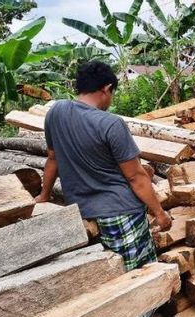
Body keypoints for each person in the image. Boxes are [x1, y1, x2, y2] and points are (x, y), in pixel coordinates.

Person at [35, 61, 172, 273]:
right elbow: (136, 177)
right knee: (139, 277)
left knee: (104, 277)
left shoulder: (56, 112)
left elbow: (53, 159)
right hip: (121, 214)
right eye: (113, 93)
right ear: (106, 89)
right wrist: (160, 213)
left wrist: (44, 195)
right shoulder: (110, 124)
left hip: (82, 212)